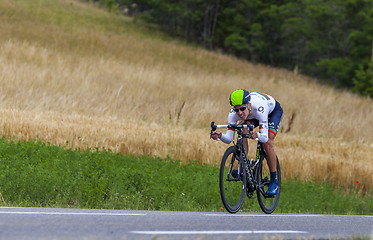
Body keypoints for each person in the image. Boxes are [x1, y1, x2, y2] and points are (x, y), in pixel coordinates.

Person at [211, 89, 283, 196]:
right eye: (236, 110)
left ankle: (274, 181)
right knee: (242, 128)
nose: (239, 113)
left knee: (267, 143)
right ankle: (243, 168)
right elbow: (229, 139)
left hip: (271, 112)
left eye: (242, 109)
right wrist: (220, 136)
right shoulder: (233, 115)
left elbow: (264, 138)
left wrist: (257, 135)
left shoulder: (260, 108)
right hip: (252, 115)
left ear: (249, 105)